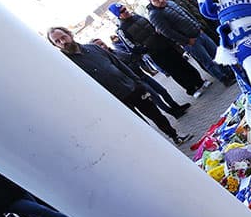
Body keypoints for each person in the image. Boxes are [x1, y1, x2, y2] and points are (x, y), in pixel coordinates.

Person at [46, 27, 191, 145]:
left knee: (157, 115)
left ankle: (175, 136)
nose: (62, 42)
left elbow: (118, 64)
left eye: (63, 37)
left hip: (132, 88)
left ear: (69, 34)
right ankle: (159, 149)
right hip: (114, 100)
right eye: (57, 41)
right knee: (139, 127)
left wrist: (138, 82)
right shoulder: (65, 63)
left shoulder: (93, 48)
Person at [141, 0, 233, 87]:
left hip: (199, 32)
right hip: (190, 42)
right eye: (156, 0)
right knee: (208, 62)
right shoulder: (154, 15)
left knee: (216, 53)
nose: (161, 0)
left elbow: (186, 14)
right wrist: (187, 41)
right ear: (150, 1)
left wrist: (198, 26)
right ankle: (224, 79)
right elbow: (167, 32)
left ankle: (229, 72)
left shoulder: (170, 3)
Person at [109, 3, 206, 96]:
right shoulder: (121, 30)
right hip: (155, 53)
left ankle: (199, 81)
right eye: (122, 11)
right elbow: (131, 47)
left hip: (165, 44)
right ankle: (191, 89)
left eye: (125, 9)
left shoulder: (138, 16)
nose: (125, 11)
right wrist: (146, 49)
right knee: (174, 71)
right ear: (118, 15)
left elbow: (152, 25)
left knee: (183, 63)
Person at [108, 34, 191, 119]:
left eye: (102, 43)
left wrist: (135, 58)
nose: (103, 46)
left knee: (162, 91)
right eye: (100, 45)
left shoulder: (115, 52)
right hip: (136, 80)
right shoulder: (109, 58)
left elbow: (131, 57)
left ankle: (176, 106)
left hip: (142, 75)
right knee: (155, 97)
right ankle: (173, 113)